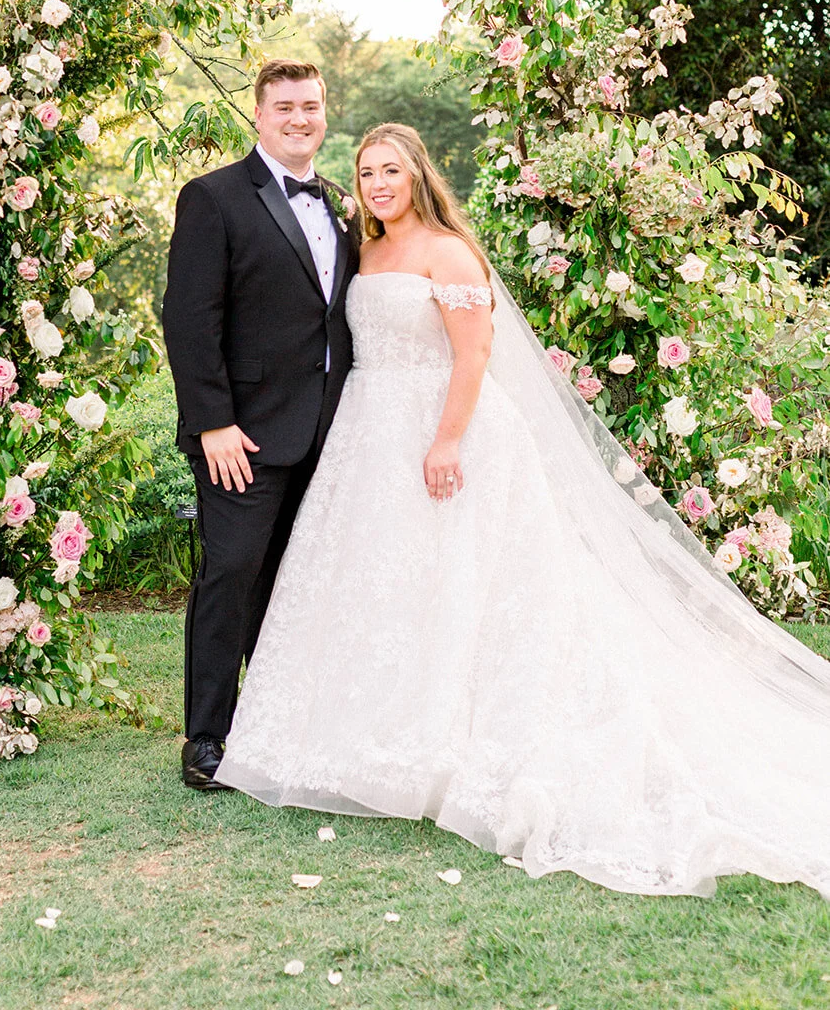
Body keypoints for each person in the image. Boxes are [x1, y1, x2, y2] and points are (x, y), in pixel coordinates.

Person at [216, 122, 830, 900]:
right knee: (385, 586)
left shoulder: (447, 251)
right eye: (366, 172)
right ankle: (372, 740)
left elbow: (472, 353)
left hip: (444, 432)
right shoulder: (363, 249)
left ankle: (463, 741)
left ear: (417, 176)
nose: (377, 184)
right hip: (367, 437)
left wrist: (445, 441)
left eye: (390, 171)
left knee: (466, 584)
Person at [161, 60, 361, 790]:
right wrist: (212, 422)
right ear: (258, 115)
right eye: (284, 107)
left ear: (324, 112)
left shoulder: (340, 203)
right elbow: (189, 319)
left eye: (310, 105)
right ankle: (207, 738)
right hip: (241, 436)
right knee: (231, 574)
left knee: (299, 581)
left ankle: (280, 727)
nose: (299, 119)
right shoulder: (213, 197)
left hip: (329, 433)